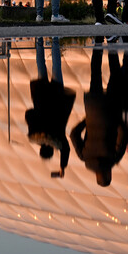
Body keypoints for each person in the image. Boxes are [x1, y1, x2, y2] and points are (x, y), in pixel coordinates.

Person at [70, 47, 128, 186]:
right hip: (93, 107)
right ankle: (97, 43)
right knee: (95, 73)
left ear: (108, 175)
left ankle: (111, 43)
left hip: (111, 107)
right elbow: (73, 134)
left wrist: (117, 119)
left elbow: (123, 133)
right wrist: (87, 120)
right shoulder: (84, 157)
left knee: (115, 74)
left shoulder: (113, 158)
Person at [25, 37, 75, 178]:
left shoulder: (57, 138)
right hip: (41, 95)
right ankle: (39, 39)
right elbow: (28, 114)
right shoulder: (34, 134)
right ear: (40, 148)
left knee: (56, 67)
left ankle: (55, 39)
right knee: (40, 66)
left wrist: (62, 167)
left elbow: (66, 150)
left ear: (53, 149)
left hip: (57, 95)